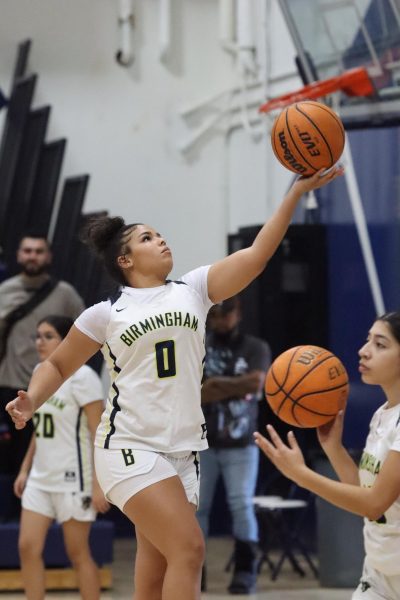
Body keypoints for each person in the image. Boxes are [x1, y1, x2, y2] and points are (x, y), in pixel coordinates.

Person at [6, 167, 343, 600]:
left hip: (184, 450)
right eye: (146, 238)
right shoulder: (106, 314)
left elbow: (258, 255)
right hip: (129, 446)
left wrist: (295, 193)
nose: (160, 240)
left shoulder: (194, 289)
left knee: (158, 565)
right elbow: (56, 366)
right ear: (124, 260)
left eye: (159, 234)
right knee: (190, 548)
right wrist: (32, 400)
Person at [254, 311, 400, 600]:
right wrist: (333, 448)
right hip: (379, 574)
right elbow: (363, 494)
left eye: (380, 345)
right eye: (367, 340)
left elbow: (373, 505)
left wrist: (301, 475)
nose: (364, 351)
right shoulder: (382, 415)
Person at [14, 315, 110, 600]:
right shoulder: (39, 373)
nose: (39, 342)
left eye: (48, 335)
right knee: (27, 547)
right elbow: (39, 427)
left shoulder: (85, 378)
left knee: (77, 553)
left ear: (66, 340)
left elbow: (98, 433)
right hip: (41, 479)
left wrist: (98, 484)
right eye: (38, 335)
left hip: (74, 480)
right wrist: (24, 469)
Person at [197, 295, 271, 594]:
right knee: (197, 508)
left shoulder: (255, 347)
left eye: (224, 315)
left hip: (241, 441)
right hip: (201, 440)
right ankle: (195, 570)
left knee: (241, 504)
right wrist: (232, 386)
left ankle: (245, 571)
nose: (219, 321)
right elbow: (195, 391)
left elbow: (256, 384)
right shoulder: (200, 344)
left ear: (237, 313)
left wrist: (215, 386)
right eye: (214, 315)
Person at [0, 233, 85, 476]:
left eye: (38, 251)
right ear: (18, 255)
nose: (32, 256)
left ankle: (26, 509)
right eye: (27, 251)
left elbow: (86, 333)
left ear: (48, 256)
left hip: (48, 388)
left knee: (34, 456)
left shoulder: (65, 294)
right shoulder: (5, 291)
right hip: (6, 382)